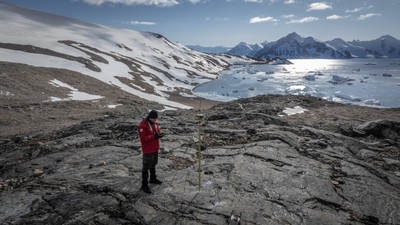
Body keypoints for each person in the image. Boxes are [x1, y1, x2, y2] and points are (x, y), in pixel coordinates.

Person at [137, 110, 164, 194]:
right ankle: (144, 185)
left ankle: (152, 178)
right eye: (153, 118)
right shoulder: (143, 125)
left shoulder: (155, 123)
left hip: (155, 148)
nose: (154, 120)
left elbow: (157, 132)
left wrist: (159, 135)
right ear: (149, 117)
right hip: (148, 149)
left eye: (155, 118)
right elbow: (143, 139)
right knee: (146, 167)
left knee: (153, 164)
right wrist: (154, 136)